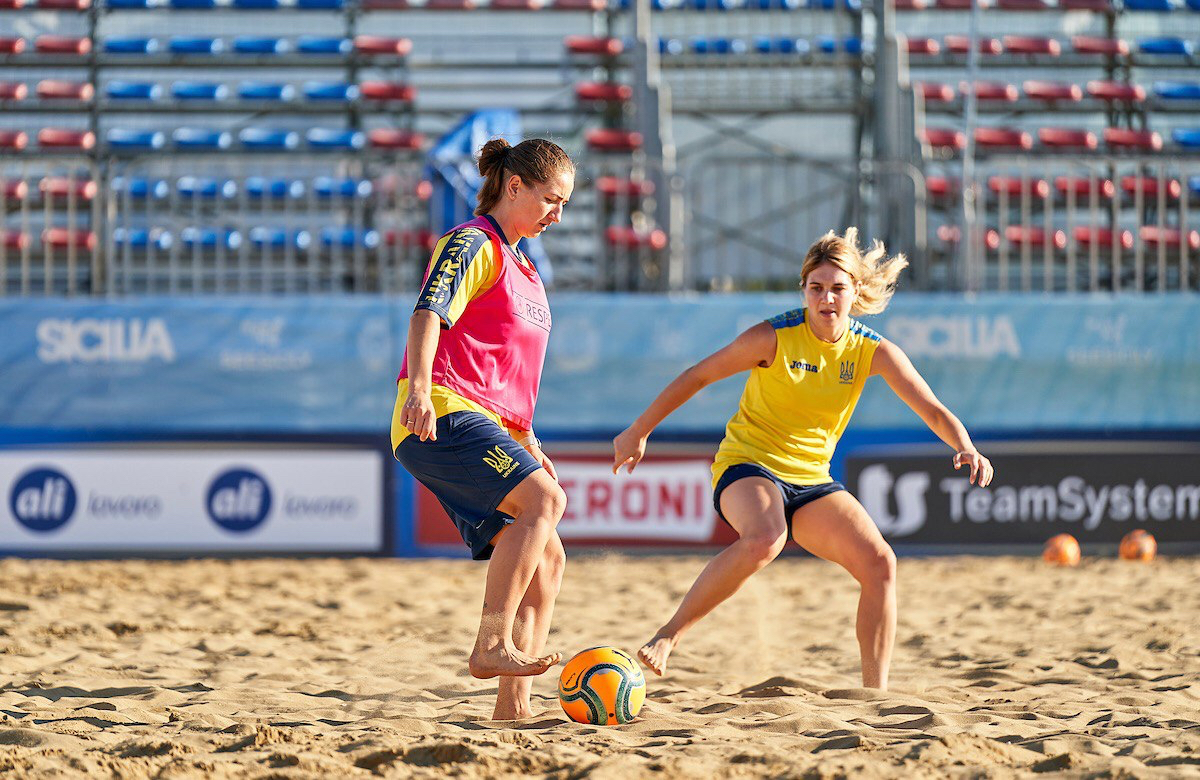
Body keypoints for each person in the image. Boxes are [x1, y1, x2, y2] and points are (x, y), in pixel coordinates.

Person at [612, 228, 994, 690]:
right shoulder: (773, 337)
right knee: (766, 538)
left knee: (880, 564)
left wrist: (964, 445)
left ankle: (874, 695)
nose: (826, 298)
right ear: (804, 290)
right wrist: (639, 430)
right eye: (816, 287)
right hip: (748, 464)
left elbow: (931, 408)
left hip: (812, 480)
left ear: (855, 291)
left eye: (837, 288)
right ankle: (669, 635)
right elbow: (698, 376)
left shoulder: (871, 350)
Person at [392, 137, 574, 720]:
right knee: (545, 502)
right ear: (514, 186)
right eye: (551, 199)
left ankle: (512, 710)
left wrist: (528, 441)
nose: (558, 215)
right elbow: (428, 313)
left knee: (548, 561)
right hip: (443, 410)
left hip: (492, 423)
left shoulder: (526, 267)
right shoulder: (473, 242)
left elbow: (509, 370)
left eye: (565, 204)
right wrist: (419, 391)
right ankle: (492, 643)